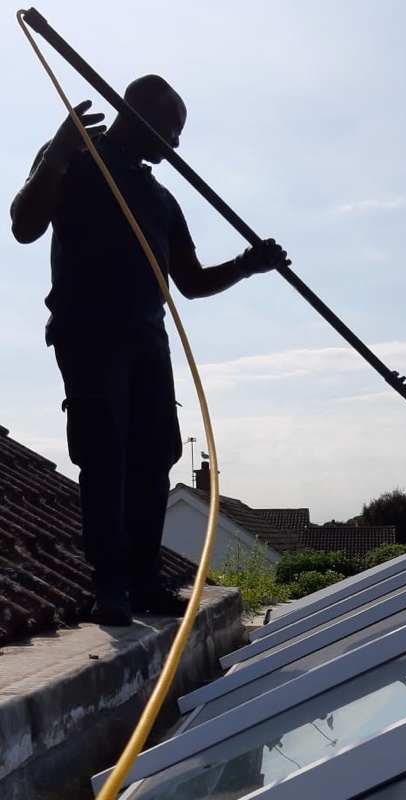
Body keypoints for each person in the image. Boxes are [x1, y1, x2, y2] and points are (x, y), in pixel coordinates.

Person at [10, 74, 290, 626]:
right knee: (105, 454)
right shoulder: (77, 156)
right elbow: (24, 226)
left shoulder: (161, 199)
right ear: (136, 114)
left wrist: (246, 265)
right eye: (171, 129)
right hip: (89, 334)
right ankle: (110, 583)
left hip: (147, 340)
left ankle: (144, 580)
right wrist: (60, 151)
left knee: (153, 457)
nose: (176, 145)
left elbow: (189, 281)